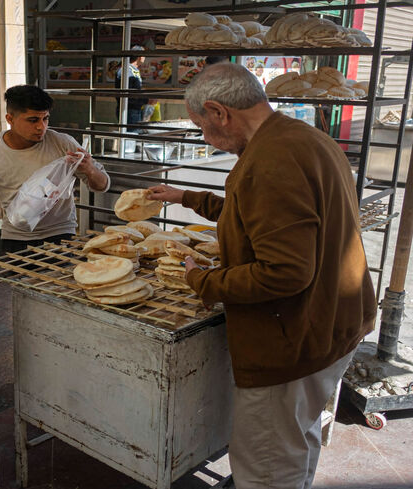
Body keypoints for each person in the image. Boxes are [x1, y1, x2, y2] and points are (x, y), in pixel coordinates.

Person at [148, 63, 376, 488]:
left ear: (219, 112)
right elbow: (256, 215)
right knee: (297, 437)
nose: (205, 138)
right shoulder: (301, 138)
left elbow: (283, 273)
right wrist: (188, 198)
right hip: (334, 322)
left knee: (267, 463)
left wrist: (203, 281)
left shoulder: (272, 162)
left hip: (292, 339)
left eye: (203, 126)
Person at [0, 85, 110, 254]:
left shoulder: (63, 144)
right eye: (33, 120)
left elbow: (102, 186)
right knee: (17, 280)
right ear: (10, 119)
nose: (41, 127)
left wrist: (90, 170)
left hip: (61, 235)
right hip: (16, 237)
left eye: (45, 119)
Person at [115, 45, 150, 127]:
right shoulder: (127, 70)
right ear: (140, 57)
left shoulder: (133, 70)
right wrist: (146, 100)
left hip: (134, 109)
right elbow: (129, 94)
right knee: (131, 135)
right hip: (129, 110)